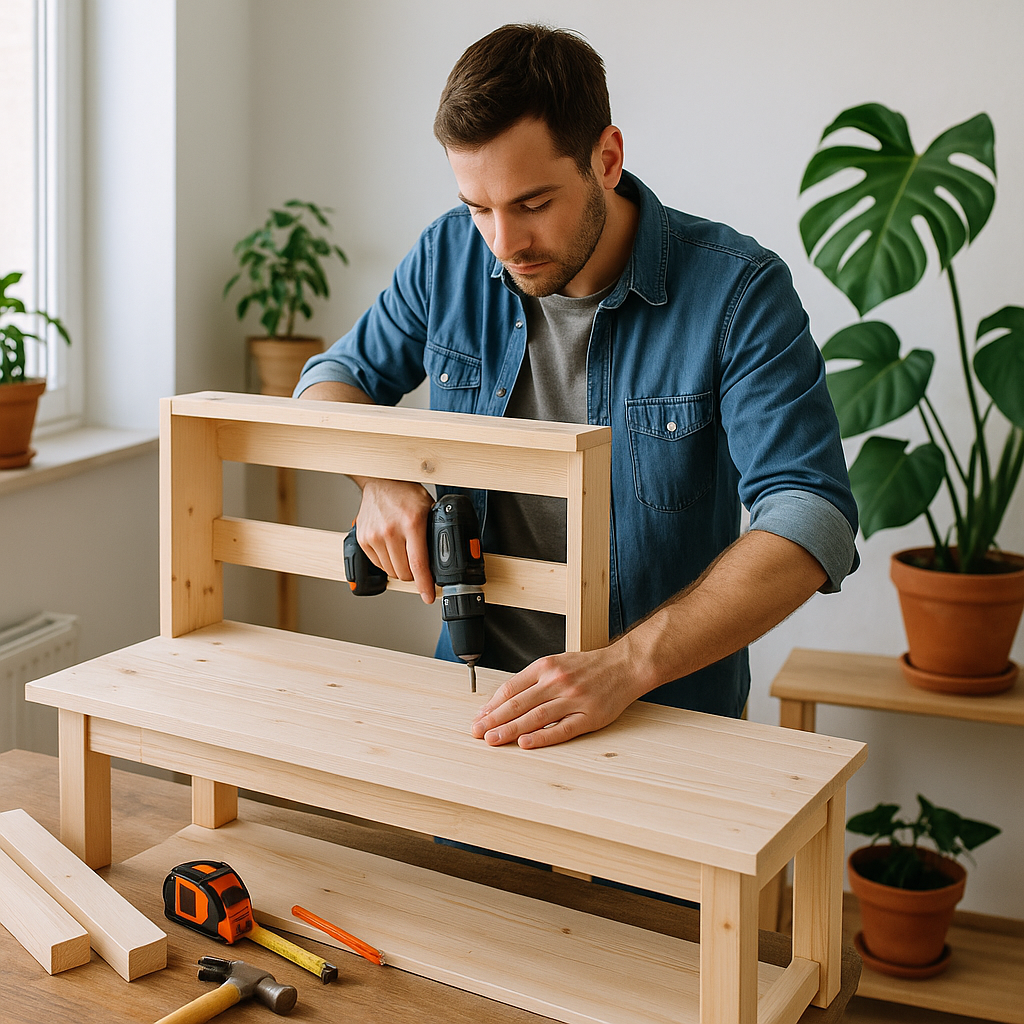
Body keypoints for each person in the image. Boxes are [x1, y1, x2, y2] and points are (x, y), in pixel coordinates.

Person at [294, 24, 858, 751]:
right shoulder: (447, 255)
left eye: (532, 203)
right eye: (478, 207)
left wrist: (625, 666)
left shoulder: (738, 291)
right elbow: (331, 381)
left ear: (607, 159)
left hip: (669, 719)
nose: (503, 242)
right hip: (482, 704)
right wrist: (381, 479)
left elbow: (813, 514)